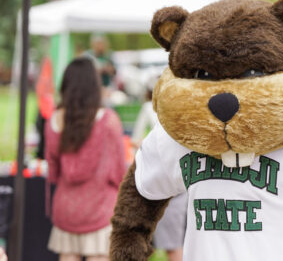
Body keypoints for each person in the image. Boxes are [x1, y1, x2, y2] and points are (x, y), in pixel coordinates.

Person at [45, 58, 127, 261]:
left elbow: (53, 172)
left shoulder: (54, 121)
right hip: (100, 208)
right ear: (94, 85)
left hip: (66, 209)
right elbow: (119, 172)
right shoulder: (108, 121)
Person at [131, 78, 187, 261]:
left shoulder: (158, 109)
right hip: (181, 178)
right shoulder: (181, 107)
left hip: (168, 181)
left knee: (172, 244)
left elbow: (135, 139)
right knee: (177, 243)